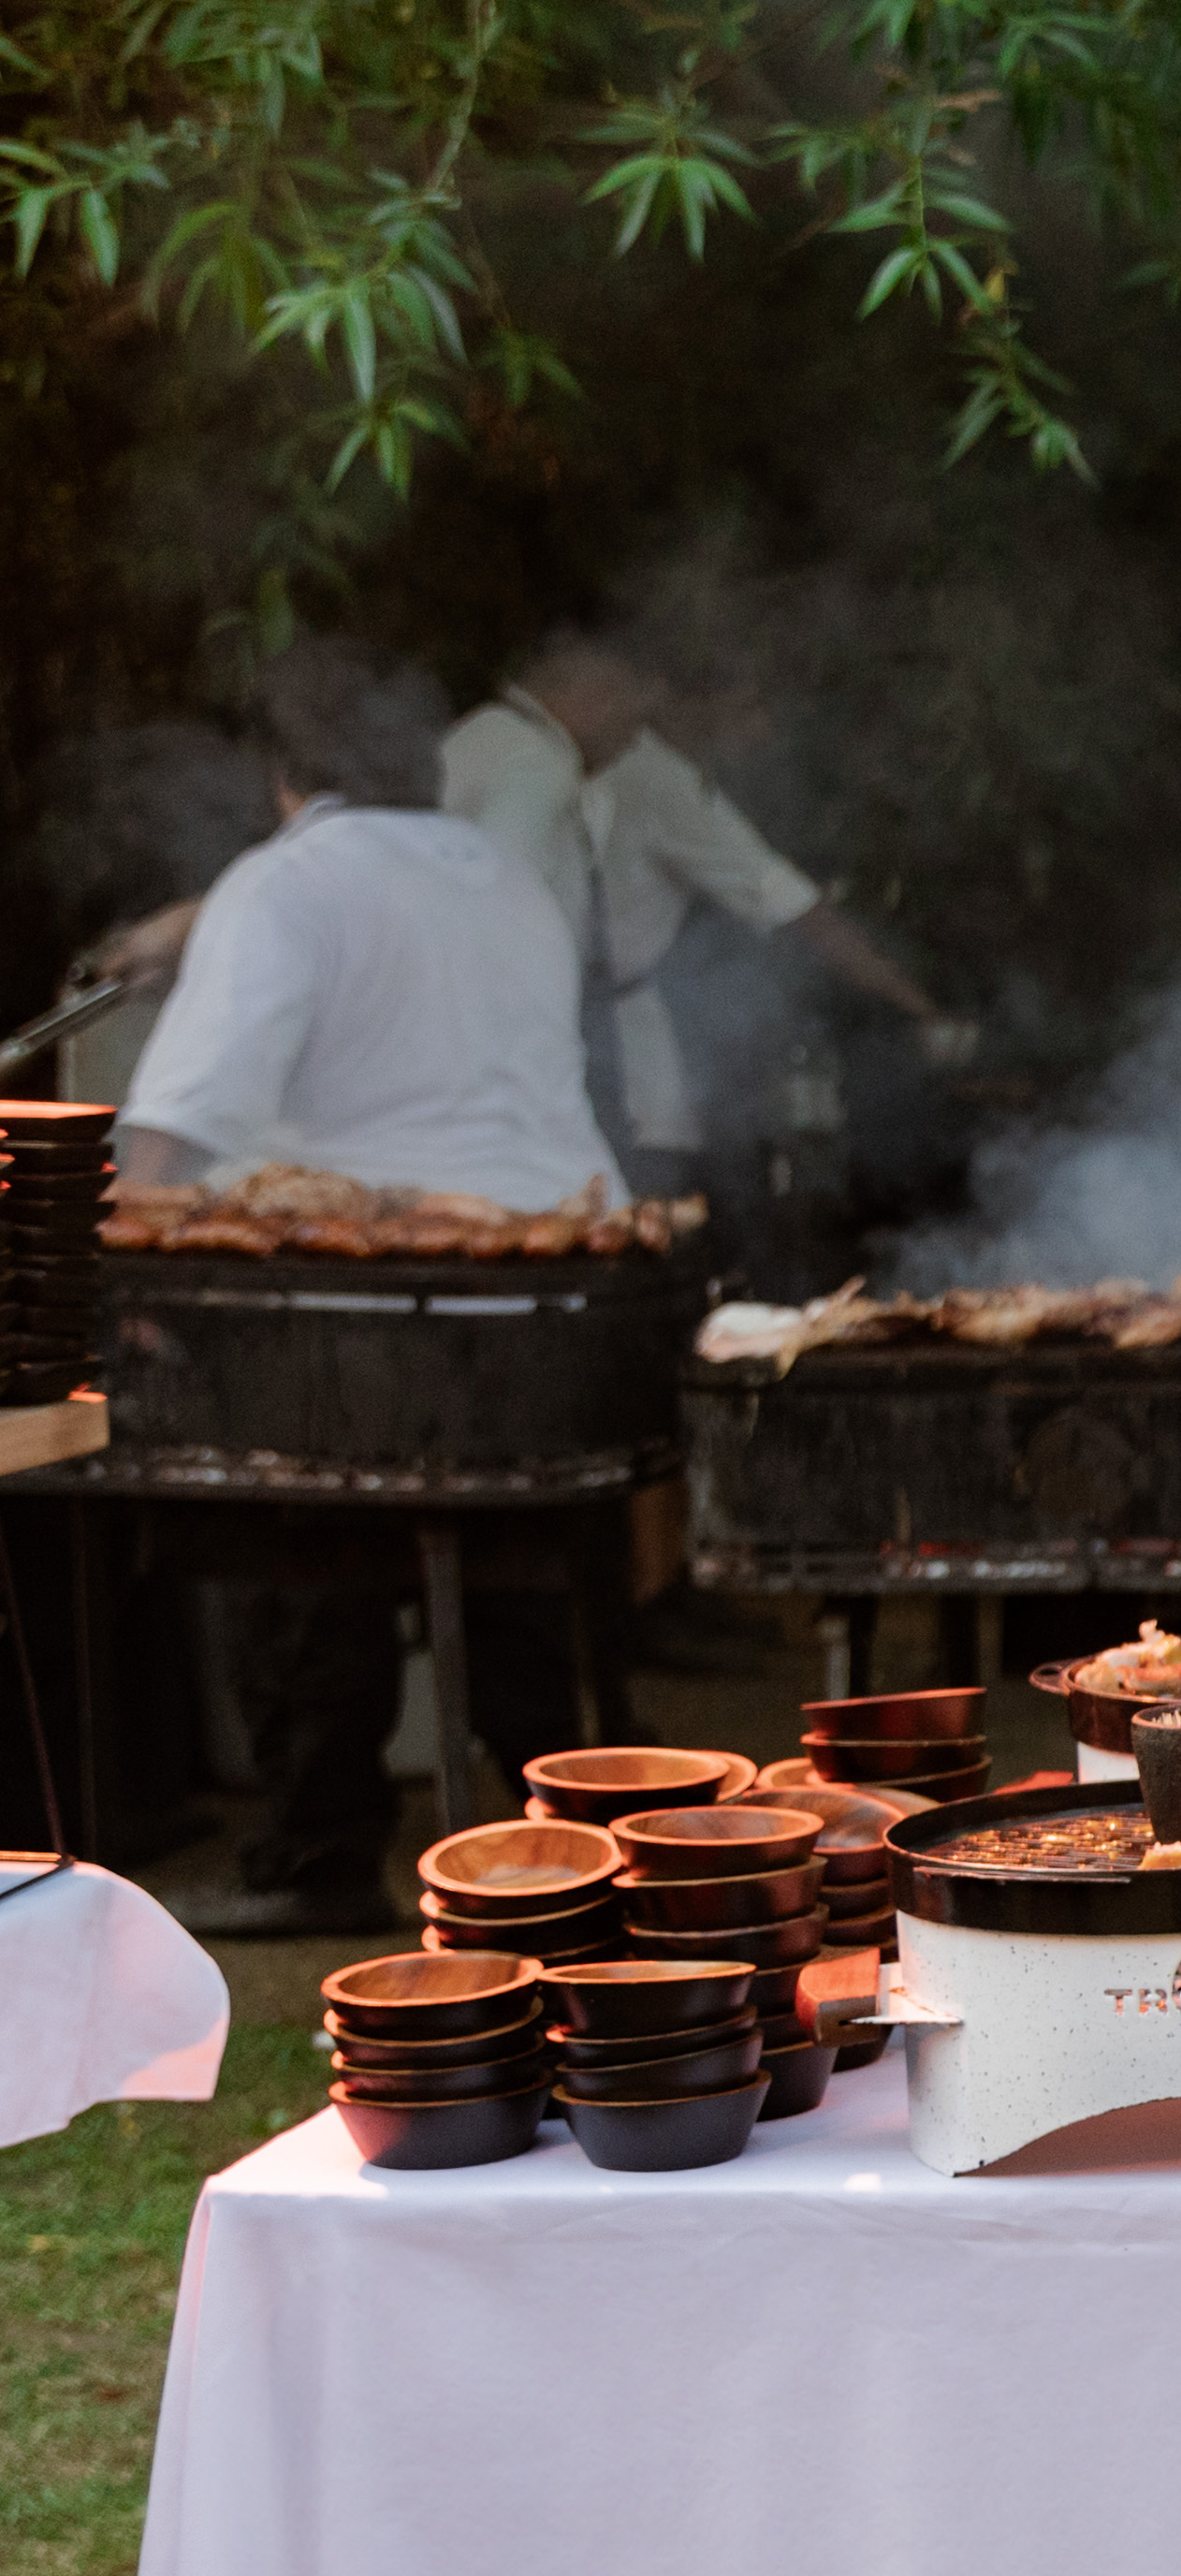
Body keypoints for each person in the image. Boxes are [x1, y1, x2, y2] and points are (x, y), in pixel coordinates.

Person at [111, 640, 616, 1930]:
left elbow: (169, 1135)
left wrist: (120, 1286)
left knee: (294, 1524)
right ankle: (575, 1837)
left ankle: (318, 1851)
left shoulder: (284, 883)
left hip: (372, 1318)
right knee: (508, 1560)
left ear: (282, 774)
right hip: (556, 1296)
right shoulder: (500, 872)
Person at [439, 631, 969, 1253]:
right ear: (598, 696)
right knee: (611, 1232)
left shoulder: (473, 739)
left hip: (488, 1050)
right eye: (750, 710)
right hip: (558, 1049)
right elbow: (789, 902)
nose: (766, 733)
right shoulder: (565, 767)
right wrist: (921, 1008)